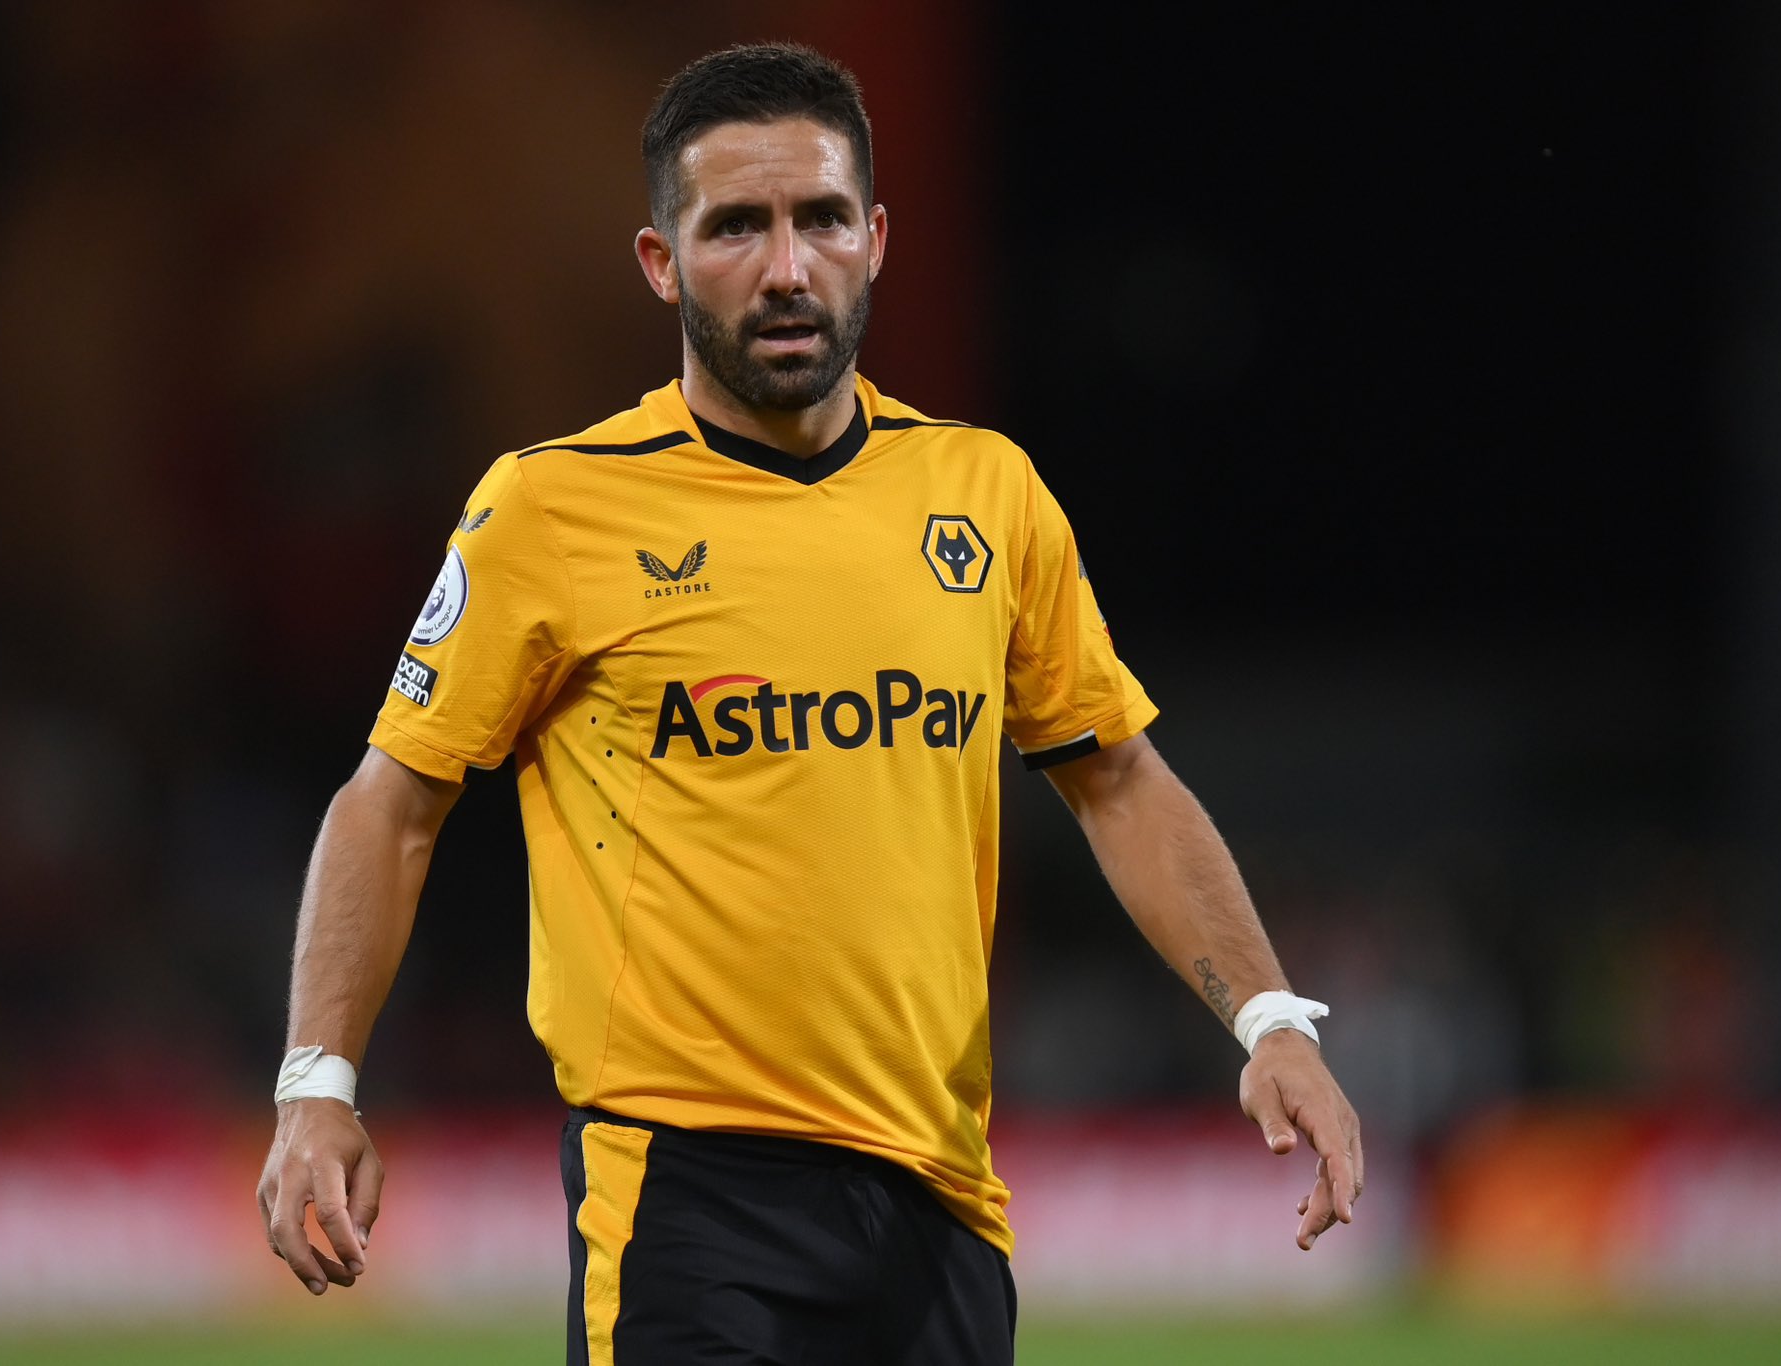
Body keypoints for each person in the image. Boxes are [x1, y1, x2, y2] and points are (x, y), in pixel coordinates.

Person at [256, 41, 1362, 1365]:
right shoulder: (551, 510)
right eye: (736, 226)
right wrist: (317, 1083)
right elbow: (391, 805)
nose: (787, 267)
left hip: (941, 1202)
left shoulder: (986, 494)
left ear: (875, 240)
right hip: (684, 1198)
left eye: (822, 219)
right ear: (661, 262)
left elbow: (1117, 779)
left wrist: (1270, 1019)